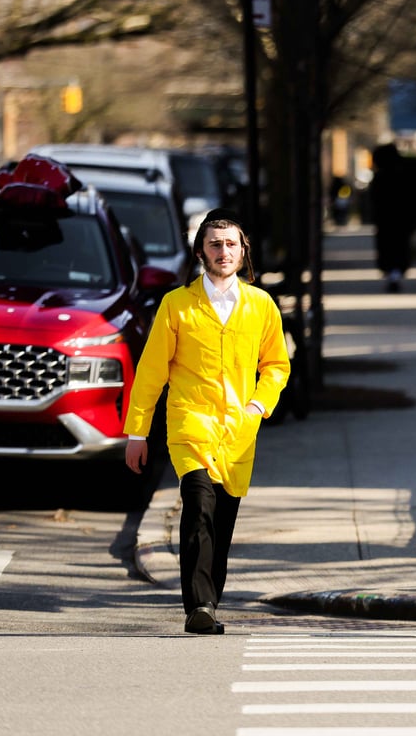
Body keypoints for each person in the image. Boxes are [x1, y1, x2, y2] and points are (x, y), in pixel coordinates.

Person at [124, 208, 290, 635]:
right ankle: (198, 605)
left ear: (242, 250)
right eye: (215, 244)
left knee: (223, 520)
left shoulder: (260, 305)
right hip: (189, 425)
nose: (223, 251)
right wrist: (138, 431)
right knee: (198, 504)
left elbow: (276, 365)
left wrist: (258, 406)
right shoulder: (177, 306)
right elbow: (151, 371)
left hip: (239, 431)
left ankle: (210, 602)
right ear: (201, 251)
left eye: (231, 243)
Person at [369, 143, 416, 291]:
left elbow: (374, 199)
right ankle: (395, 274)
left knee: (389, 249)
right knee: (399, 248)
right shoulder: (404, 175)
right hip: (400, 220)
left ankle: (392, 274)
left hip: (387, 221)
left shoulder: (380, 177)